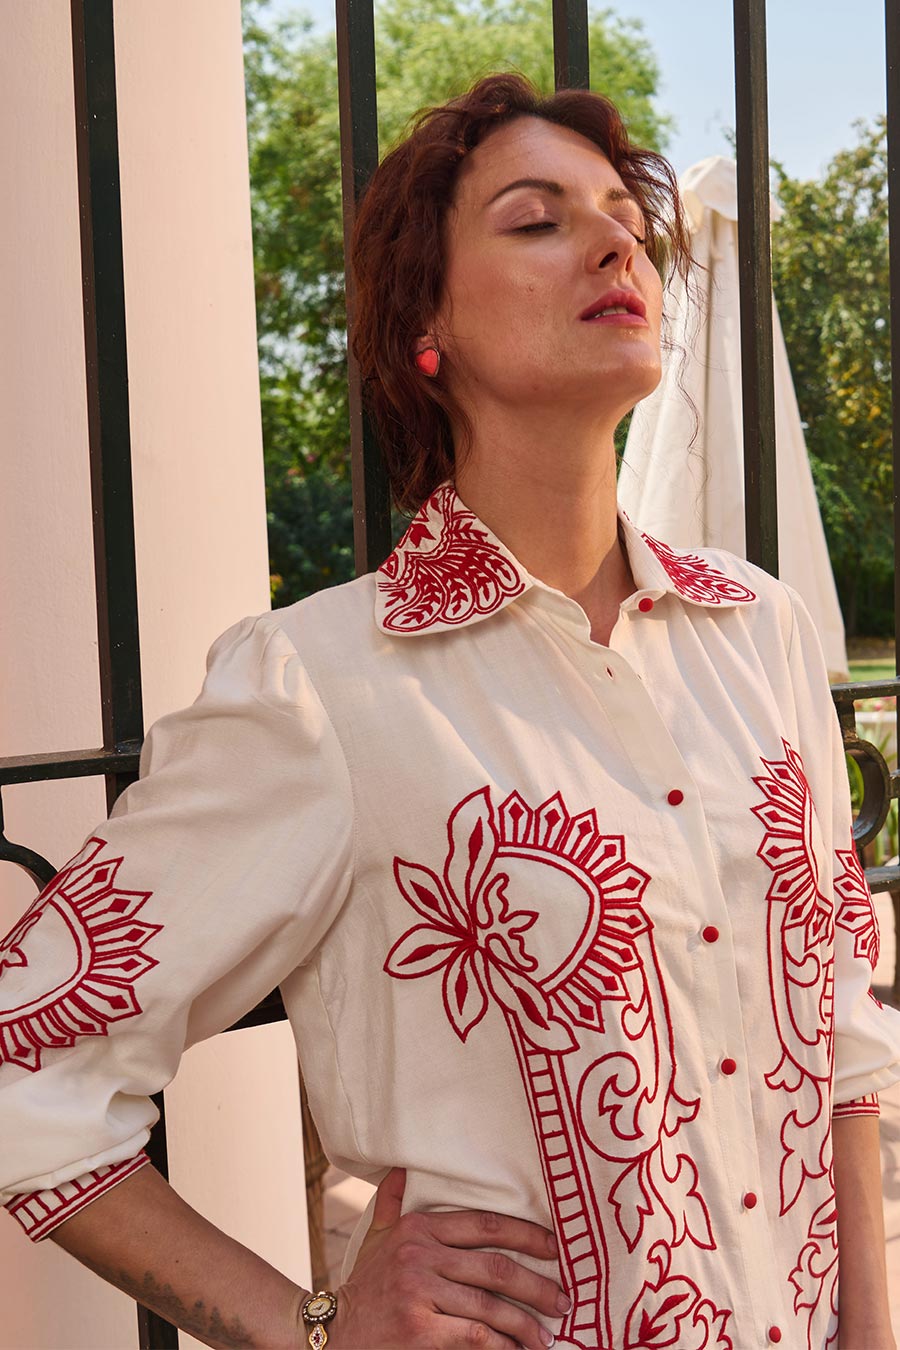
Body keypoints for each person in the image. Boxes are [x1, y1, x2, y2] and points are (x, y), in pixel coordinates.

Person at [1, 70, 898, 1350]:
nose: (615, 244)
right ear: (427, 322)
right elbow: (26, 1060)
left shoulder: (762, 632)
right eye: (537, 220)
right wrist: (309, 1326)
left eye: (624, 219)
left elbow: (844, 1043)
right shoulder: (322, 685)